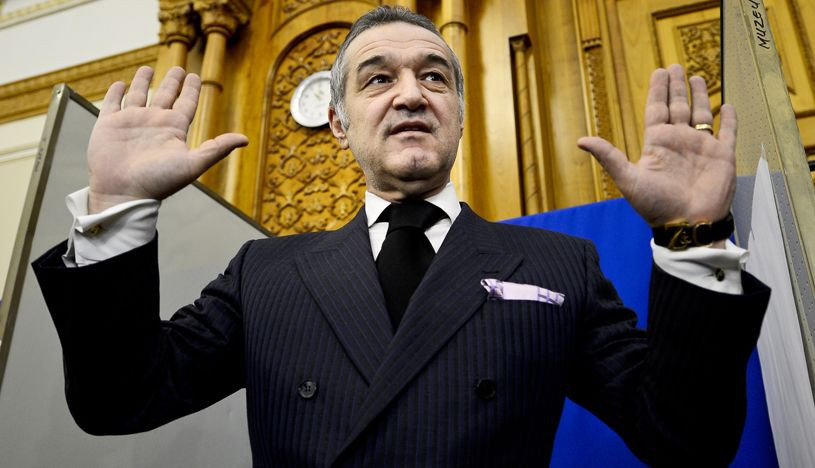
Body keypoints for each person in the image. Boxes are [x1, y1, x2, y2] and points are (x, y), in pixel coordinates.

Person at [33, 6, 769, 467]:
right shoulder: (265, 273)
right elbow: (119, 402)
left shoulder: (560, 266)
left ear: (457, 113)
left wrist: (693, 236)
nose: (411, 93)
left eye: (435, 78)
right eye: (378, 79)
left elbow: (684, 439)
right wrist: (117, 208)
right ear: (338, 122)